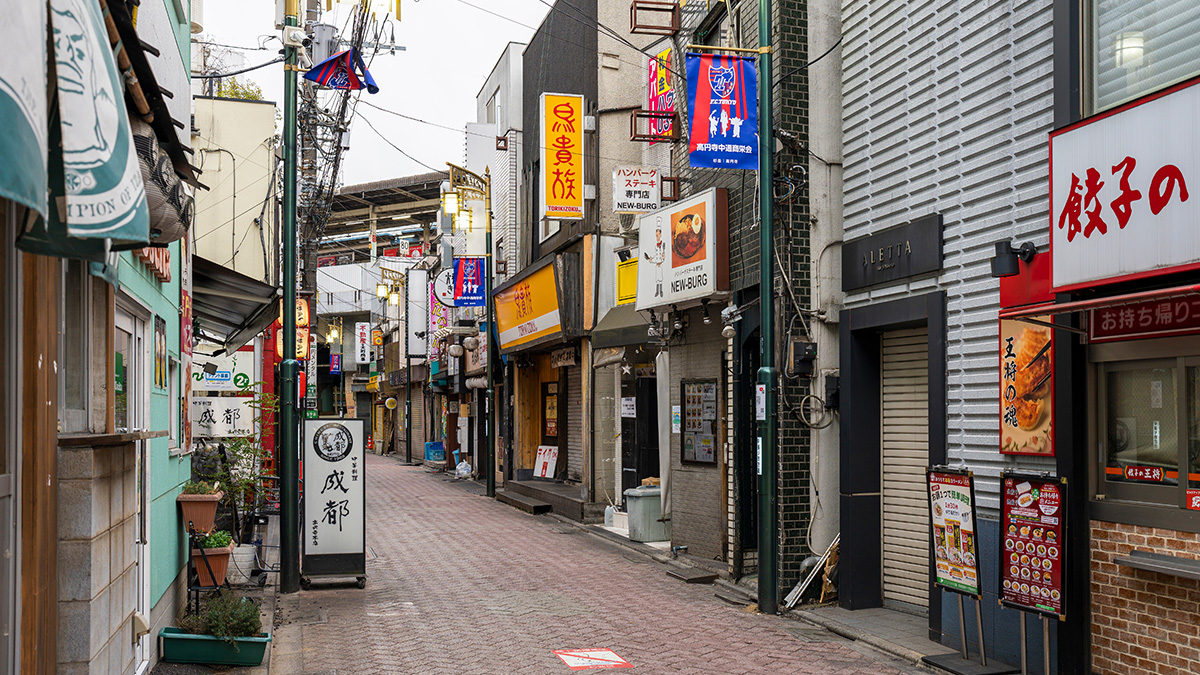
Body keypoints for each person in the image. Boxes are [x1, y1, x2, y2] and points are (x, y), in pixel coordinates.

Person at [643, 219, 667, 297]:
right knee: (657, 278)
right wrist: (650, 259)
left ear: (660, 234)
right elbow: (653, 254)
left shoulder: (663, 243)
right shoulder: (655, 244)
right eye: (656, 235)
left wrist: (663, 256)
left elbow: (664, 253)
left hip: (661, 263)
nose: (657, 236)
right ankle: (657, 291)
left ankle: (661, 290)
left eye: (658, 234)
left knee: (661, 278)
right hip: (657, 263)